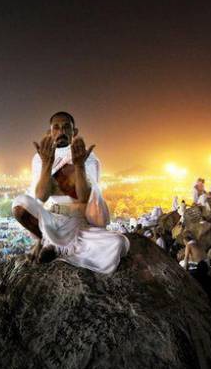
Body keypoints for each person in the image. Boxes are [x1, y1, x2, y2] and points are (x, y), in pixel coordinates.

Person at [12, 112, 130, 274]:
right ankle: (44, 241)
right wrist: (47, 163)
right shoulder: (39, 158)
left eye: (66, 127)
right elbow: (41, 195)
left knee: (118, 243)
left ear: (74, 132)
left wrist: (79, 166)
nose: (61, 131)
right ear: (49, 132)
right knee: (19, 204)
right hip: (49, 220)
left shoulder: (88, 159)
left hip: (76, 224)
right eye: (56, 127)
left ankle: (56, 248)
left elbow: (83, 197)